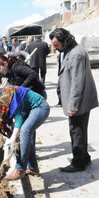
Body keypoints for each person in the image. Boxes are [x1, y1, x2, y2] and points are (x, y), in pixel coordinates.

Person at [0, 80, 50, 180]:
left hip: (39, 106)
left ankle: (20, 169)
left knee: (24, 131)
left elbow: (18, 116)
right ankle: (33, 168)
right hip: (28, 110)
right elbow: (7, 118)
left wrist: (14, 136)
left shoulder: (5, 97)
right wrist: (11, 136)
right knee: (27, 138)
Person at [49, 28, 98, 172]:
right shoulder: (68, 51)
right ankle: (84, 157)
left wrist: (73, 104)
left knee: (76, 131)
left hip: (79, 101)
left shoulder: (76, 54)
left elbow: (78, 83)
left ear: (65, 41)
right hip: (77, 100)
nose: (54, 48)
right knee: (80, 130)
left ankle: (78, 163)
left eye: (56, 44)